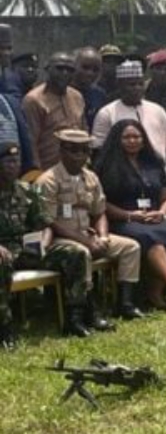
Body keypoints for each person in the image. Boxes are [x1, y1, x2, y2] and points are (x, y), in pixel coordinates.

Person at [38, 129, 143, 323]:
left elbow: (99, 212)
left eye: (84, 151)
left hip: (89, 234)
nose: (79, 156)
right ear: (61, 151)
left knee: (130, 247)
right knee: (81, 252)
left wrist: (102, 237)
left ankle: (125, 303)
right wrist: (86, 241)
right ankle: (87, 311)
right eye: (73, 150)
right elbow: (50, 221)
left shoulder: (91, 177)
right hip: (61, 239)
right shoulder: (49, 180)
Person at [0, 140, 98, 347]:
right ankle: (5, 328)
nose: (13, 166)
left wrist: (43, 245)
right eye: (7, 161)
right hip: (3, 252)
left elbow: (45, 223)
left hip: (27, 249)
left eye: (16, 161)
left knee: (74, 253)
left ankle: (75, 317)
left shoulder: (26, 190)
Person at [95, 120, 166, 310]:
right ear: (117, 139)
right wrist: (129, 215)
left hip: (153, 217)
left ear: (143, 140)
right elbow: (101, 203)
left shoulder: (153, 162)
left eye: (136, 136)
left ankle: (154, 292)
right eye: (127, 137)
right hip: (122, 219)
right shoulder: (105, 166)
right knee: (152, 240)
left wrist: (163, 212)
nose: (132, 141)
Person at [91, 60, 166, 160]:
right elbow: (98, 148)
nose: (137, 88)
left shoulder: (157, 110)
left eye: (140, 84)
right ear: (120, 85)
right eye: (132, 85)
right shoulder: (107, 113)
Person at [22, 51, 86, 169]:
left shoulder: (77, 97)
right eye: (59, 68)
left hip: (75, 170)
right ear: (47, 69)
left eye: (69, 69)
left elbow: (84, 133)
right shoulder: (34, 100)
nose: (64, 73)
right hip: (47, 171)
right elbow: (31, 143)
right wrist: (36, 175)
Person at [72, 47, 109, 130]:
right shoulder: (63, 92)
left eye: (95, 70)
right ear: (74, 65)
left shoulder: (100, 95)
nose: (90, 73)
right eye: (85, 67)